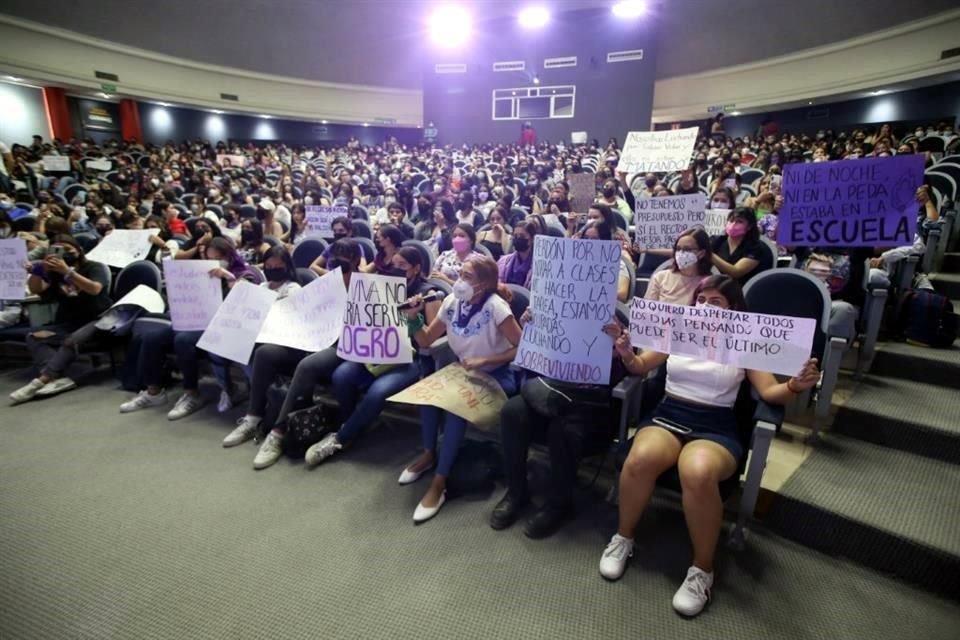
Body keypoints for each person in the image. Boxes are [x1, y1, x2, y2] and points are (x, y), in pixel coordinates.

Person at [598, 275, 821, 617]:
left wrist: (794, 384)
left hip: (715, 425)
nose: (705, 307)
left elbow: (769, 393)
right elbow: (641, 366)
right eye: (701, 299)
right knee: (640, 458)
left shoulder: (743, 342)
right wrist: (627, 351)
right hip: (669, 413)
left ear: (733, 308)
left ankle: (702, 570)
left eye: (715, 302)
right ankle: (623, 538)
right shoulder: (679, 331)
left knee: (697, 470)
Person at [400, 255, 522, 522]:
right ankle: (430, 454)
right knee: (428, 395)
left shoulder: (496, 307)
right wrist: (412, 319)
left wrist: (486, 360)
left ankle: (439, 483)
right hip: (463, 371)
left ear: (484, 284)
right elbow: (427, 340)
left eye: (468, 277)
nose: (460, 281)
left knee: (454, 409)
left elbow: (522, 348)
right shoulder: (451, 302)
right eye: (461, 274)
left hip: (497, 375)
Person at [491, 310, 628, 538]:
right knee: (512, 412)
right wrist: (531, 328)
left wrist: (618, 344)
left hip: (590, 403)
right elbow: (534, 354)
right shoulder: (555, 304)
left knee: (562, 428)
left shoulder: (611, 315)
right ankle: (517, 492)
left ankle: (559, 503)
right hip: (551, 390)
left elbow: (633, 364)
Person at [302, 247, 443, 464]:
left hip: (411, 359)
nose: (396, 270)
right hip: (376, 352)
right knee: (341, 375)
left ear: (416, 269)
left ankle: (339, 438)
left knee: (378, 392)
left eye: (403, 266)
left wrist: (413, 317)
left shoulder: (429, 294)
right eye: (393, 265)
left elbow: (430, 342)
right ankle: (352, 425)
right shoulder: (378, 287)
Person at [247, 239, 363, 469]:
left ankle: (278, 432)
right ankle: (254, 416)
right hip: (315, 339)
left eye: (344, 266)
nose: (337, 271)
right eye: (333, 264)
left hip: (344, 346)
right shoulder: (324, 285)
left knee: (308, 365)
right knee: (266, 353)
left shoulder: (367, 287)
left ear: (357, 264)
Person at [118, 237, 260, 418]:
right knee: (151, 338)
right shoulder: (198, 273)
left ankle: (192, 393)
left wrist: (228, 277)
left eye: (217, 257)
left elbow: (248, 295)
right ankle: (154, 392)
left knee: (183, 340)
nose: (212, 262)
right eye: (208, 257)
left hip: (221, 327)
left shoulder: (243, 273)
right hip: (193, 321)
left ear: (229, 257)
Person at [11, 236, 112, 403]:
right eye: (58, 250)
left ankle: (41, 381)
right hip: (69, 323)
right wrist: (37, 271)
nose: (64, 254)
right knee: (35, 336)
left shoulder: (94, 267)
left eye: (67, 250)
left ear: (78, 251)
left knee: (72, 340)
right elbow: (37, 289)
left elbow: (95, 289)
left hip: (99, 320)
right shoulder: (55, 274)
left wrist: (68, 272)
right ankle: (57, 378)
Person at [645, 229, 712, 304]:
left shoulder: (710, 283)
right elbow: (646, 311)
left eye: (687, 249)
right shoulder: (660, 278)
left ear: (701, 253)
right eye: (678, 249)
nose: (681, 253)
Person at [709, 207, 772, 285]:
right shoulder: (717, 240)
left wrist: (709, 254)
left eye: (739, 221)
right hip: (717, 287)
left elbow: (735, 272)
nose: (733, 224)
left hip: (744, 291)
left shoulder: (756, 248)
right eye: (731, 220)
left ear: (749, 226)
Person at [497, 219, 538, 288]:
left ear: (532, 238)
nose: (518, 238)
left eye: (522, 236)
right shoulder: (504, 261)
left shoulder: (538, 266)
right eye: (515, 236)